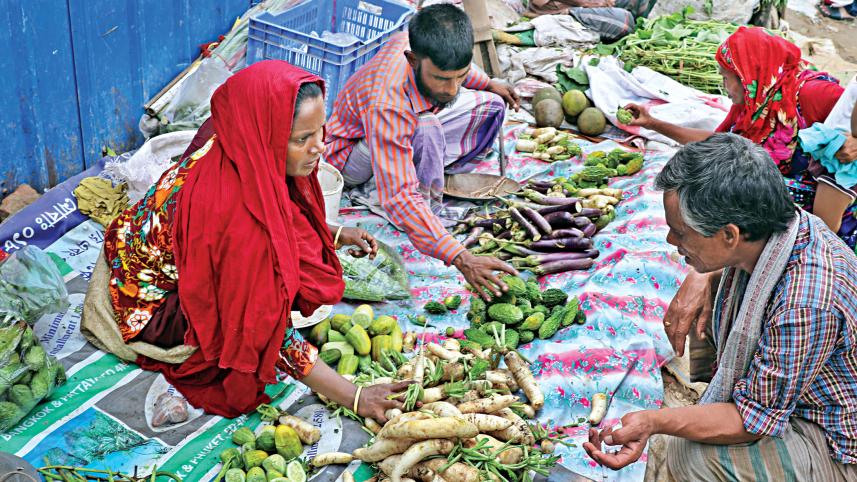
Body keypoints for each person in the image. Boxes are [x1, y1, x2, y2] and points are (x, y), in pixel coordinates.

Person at [82, 61, 410, 419]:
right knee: (244, 335)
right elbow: (270, 333)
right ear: (265, 134)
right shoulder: (233, 220)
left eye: (320, 131)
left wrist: (333, 232)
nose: (319, 147)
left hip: (137, 242)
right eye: (302, 139)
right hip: (150, 302)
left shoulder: (233, 135)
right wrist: (356, 397)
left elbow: (276, 203)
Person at [583, 134, 857, 480]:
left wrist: (653, 422)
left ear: (729, 235)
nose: (671, 241)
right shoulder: (775, 226)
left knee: (691, 458)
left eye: (681, 233)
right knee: (711, 304)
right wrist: (702, 275)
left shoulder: (804, 305)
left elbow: (752, 421)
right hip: (801, 388)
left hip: (835, 435)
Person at [324, 4, 521, 301]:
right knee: (426, 128)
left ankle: (410, 171)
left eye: (460, 76)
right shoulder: (386, 101)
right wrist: (460, 256)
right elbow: (400, 195)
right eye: (442, 79)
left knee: (492, 104)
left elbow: (458, 72)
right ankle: (421, 208)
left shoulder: (424, 44)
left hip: (396, 126)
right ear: (413, 60)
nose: (453, 88)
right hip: (349, 156)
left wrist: (489, 83)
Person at [625, 26, 857, 248]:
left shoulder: (813, 94)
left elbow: (849, 118)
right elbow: (720, 145)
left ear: (747, 75)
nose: (724, 86)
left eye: (726, 78)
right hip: (794, 197)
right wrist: (652, 123)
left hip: (833, 212)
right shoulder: (756, 102)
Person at [525, 1, 656, 42]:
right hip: (562, 10)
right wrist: (585, 2)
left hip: (588, 5)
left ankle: (636, 33)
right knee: (624, 22)